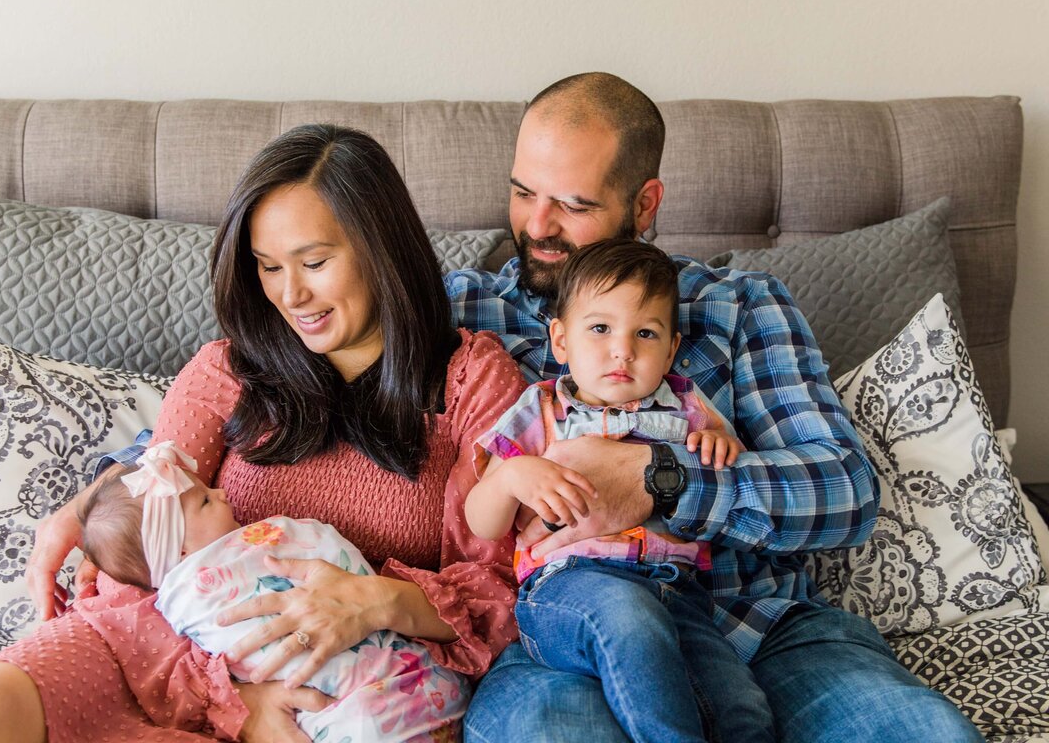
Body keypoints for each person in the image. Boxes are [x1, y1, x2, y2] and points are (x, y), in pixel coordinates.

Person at [0, 124, 527, 743]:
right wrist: (237, 706)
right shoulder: (226, 372)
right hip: (158, 658)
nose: (290, 294)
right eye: (268, 267)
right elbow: (144, 551)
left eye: (314, 261)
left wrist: (377, 601)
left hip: (345, 690)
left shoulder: (471, 384)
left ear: (383, 250)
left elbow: (500, 590)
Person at [448, 72, 983, 743]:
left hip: (758, 624)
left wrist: (662, 480)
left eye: (573, 205)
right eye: (523, 192)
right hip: (562, 634)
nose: (538, 225)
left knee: (925, 735)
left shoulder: (737, 306)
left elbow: (844, 494)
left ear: (645, 204)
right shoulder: (462, 312)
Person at [464, 239, 772, 743]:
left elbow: (730, 459)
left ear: (671, 348)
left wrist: (718, 442)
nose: (622, 350)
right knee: (629, 625)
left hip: (678, 589)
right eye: (600, 328)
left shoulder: (688, 406)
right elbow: (482, 522)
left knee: (740, 708)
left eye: (645, 333)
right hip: (569, 585)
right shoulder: (539, 410)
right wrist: (511, 477)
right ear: (561, 341)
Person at [75, 440, 470, 742]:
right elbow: (333, 551)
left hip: (351, 705)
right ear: (179, 549)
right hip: (393, 691)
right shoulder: (248, 551)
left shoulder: (175, 608)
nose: (223, 494)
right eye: (205, 502)